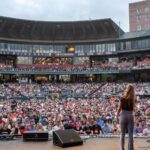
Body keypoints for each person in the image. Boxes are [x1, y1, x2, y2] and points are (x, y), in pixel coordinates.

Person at [116, 84, 136, 150]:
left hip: (123, 115)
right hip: (130, 115)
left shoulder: (122, 98)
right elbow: (133, 109)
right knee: (130, 135)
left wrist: (117, 116)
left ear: (127, 89)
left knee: (122, 134)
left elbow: (119, 108)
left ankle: (122, 149)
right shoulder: (133, 98)